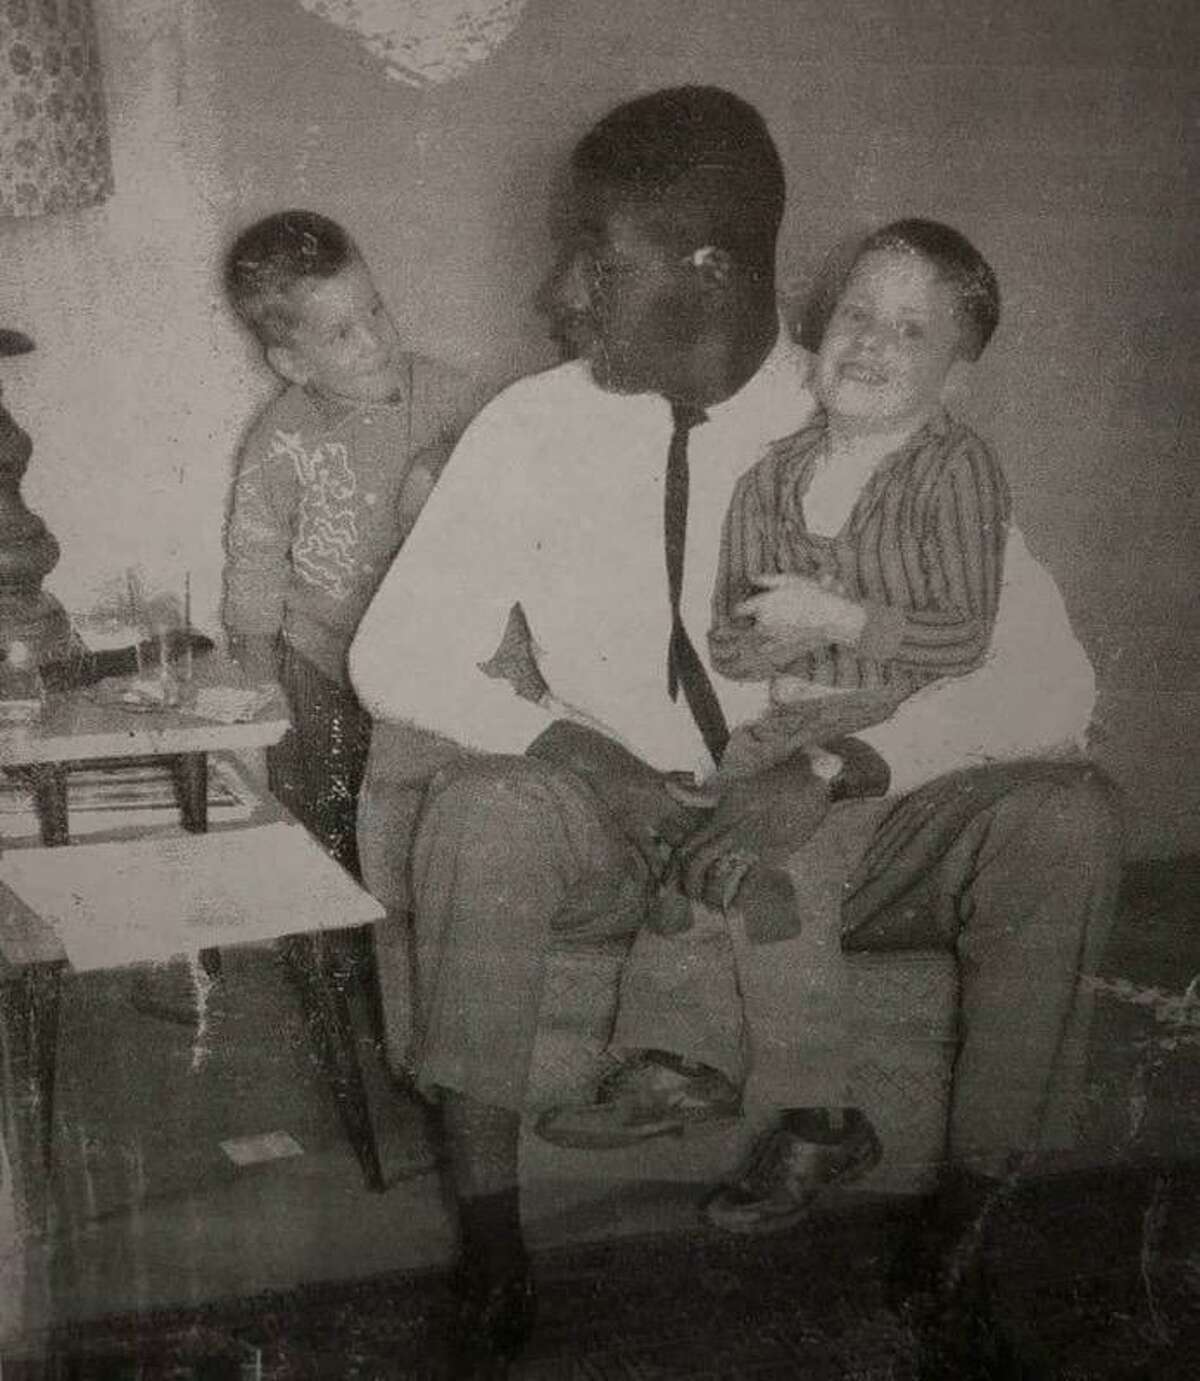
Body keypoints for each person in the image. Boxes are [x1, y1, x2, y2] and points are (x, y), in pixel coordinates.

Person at [349, 88, 1120, 1375]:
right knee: (480, 810)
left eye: (597, 257)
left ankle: (966, 1229)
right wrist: (581, 753)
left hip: (835, 830)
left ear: (708, 267)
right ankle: (491, 1241)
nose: (559, 292)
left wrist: (833, 768)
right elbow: (395, 653)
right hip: (619, 817)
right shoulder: (531, 426)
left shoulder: (877, 421)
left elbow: (1052, 682)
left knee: (1067, 820)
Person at [221, 210, 485, 876]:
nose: (375, 340)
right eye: (341, 333)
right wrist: (257, 672)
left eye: (376, 310)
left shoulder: (446, 392)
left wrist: (442, 460)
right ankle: (331, 953)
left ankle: (403, 937)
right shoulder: (279, 437)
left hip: (423, 658)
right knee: (324, 815)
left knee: (416, 815)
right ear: (291, 362)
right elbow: (254, 557)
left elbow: (512, 447)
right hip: (321, 659)